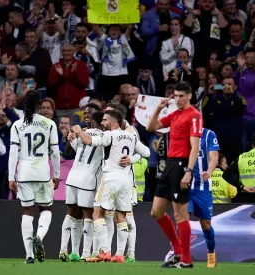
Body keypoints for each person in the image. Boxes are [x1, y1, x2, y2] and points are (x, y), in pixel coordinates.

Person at [71, 109, 150, 263]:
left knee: (97, 213)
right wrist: (132, 158)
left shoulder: (109, 135)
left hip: (110, 178)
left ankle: (105, 251)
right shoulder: (131, 135)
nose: (102, 123)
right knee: (121, 215)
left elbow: (89, 141)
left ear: (114, 122)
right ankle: (119, 255)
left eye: (105, 120)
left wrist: (79, 131)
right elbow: (146, 152)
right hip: (126, 181)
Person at [146, 81, 203, 268]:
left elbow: (195, 147)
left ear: (190, 96)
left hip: (181, 166)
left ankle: (186, 259)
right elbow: (150, 127)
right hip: (169, 165)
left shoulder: (194, 116)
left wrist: (188, 171)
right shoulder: (175, 114)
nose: (178, 99)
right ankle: (178, 252)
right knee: (156, 212)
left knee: (180, 215)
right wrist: (158, 108)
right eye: (175, 96)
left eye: (181, 96)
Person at [8, 90, 61, 264]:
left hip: (23, 173)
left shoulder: (17, 125)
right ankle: (39, 236)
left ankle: (29, 255)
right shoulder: (49, 123)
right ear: (39, 105)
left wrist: (11, 177)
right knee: (46, 209)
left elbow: (13, 154)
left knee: (27, 211)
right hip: (42, 172)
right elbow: (54, 152)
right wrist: (57, 175)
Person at [165, 128, 220, 268]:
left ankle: (211, 253)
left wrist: (209, 171)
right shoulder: (181, 134)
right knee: (182, 220)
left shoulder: (209, 134)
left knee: (205, 224)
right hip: (185, 185)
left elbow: (214, 157)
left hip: (202, 187)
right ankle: (181, 255)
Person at [59, 110, 103, 262]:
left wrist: (72, 138)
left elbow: (72, 151)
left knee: (71, 213)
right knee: (87, 215)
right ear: (101, 122)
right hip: (87, 180)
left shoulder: (83, 133)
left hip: (72, 177)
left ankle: (66, 249)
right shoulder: (104, 136)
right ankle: (85, 252)